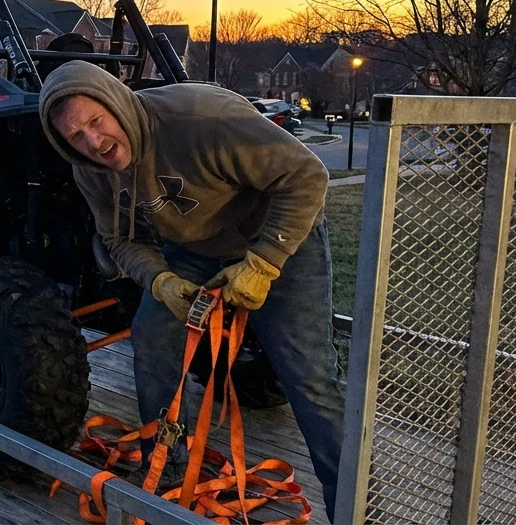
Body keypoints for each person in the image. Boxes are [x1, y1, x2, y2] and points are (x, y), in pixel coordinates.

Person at [37, 61, 344, 519]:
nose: (94, 143)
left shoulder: (202, 117)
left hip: (277, 240)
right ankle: (168, 472)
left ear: (116, 102)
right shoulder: (90, 169)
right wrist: (160, 281)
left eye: (96, 122)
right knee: (153, 339)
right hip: (194, 249)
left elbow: (307, 176)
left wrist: (262, 264)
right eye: (76, 136)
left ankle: (354, 504)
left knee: (308, 376)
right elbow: (118, 239)